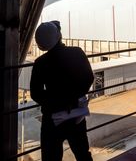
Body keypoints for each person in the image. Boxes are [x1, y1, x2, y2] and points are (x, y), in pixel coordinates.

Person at [30, 20, 94, 161]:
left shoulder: (40, 63)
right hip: (76, 113)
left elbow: (35, 92)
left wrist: (54, 102)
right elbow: (88, 78)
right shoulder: (77, 53)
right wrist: (74, 97)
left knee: (51, 157)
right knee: (83, 153)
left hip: (53, 117)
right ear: (59, 36)